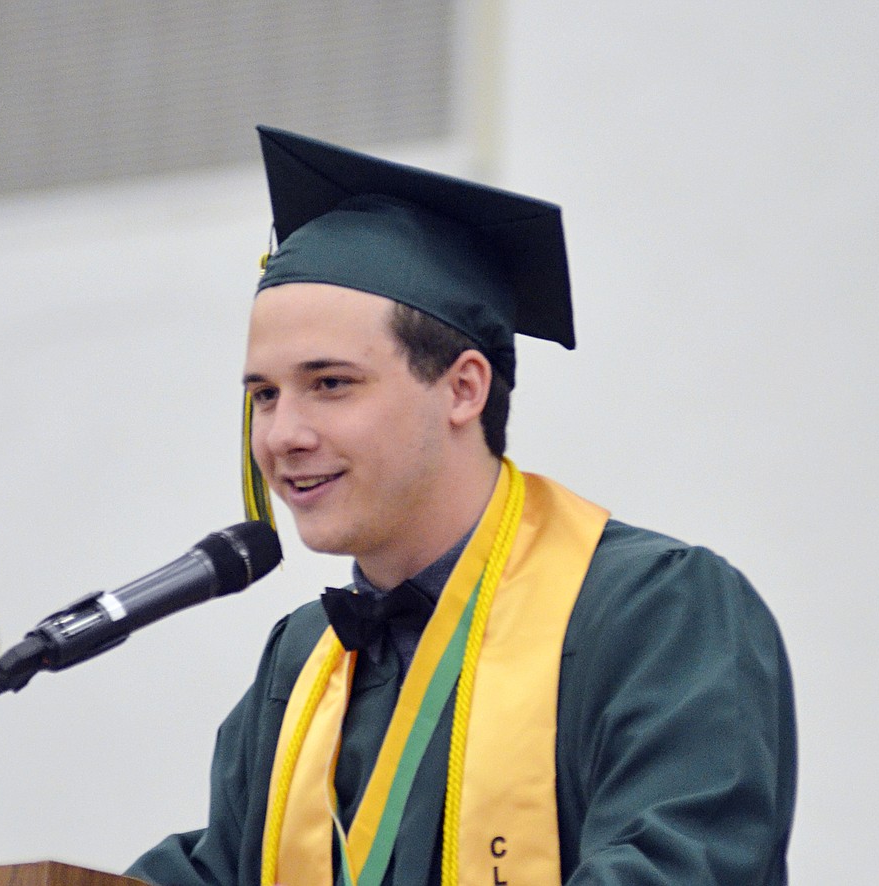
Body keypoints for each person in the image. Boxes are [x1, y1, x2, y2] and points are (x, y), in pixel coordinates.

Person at [126, 126, 796, 885]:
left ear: (463, 387)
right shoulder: (305, 661)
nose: (283, 435)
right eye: (265, 395)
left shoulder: (654, 612)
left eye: (331, 383)